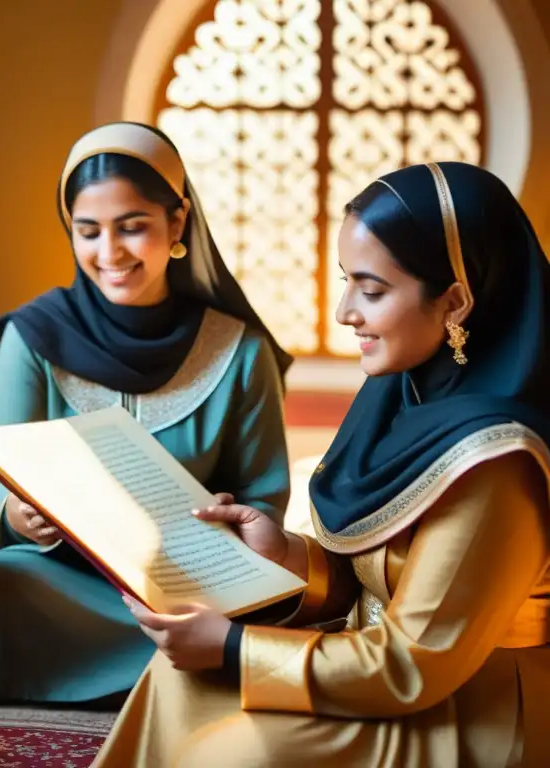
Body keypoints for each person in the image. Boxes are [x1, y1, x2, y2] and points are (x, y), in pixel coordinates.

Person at [93, 161, 550, 767]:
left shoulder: (496, 463)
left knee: (233, 754)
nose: (344, 312)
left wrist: (234, 648)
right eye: (347, 281)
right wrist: (283, 553)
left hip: (469, 707)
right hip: (376, 666)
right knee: (181, 679)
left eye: (372, 289)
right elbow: (375, 573)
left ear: (456, 302)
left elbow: (414, 665)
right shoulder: (406, 394)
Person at [0, 122, 293, 708]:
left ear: (177, 222)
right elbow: (2, 480)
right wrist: (20, 514)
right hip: (65, 580)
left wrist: (244, 519)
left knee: (283, 600)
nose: (111, 254)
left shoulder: (240, 349)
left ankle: (175, 654)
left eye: (133, 227)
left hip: (193, 581)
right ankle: (181, 665)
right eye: (89, 232)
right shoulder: (33, 337)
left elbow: (266, 490)